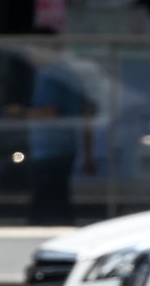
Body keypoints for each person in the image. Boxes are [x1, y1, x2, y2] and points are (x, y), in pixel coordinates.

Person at [19, 36, 96, 225]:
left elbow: (50, 112)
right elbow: (87, 113)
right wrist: (87, 152)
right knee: (58, 200)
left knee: (45, 203)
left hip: (48, 149)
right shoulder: (70, 74)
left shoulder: (50, 75)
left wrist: (19, 113)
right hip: (66, 147)